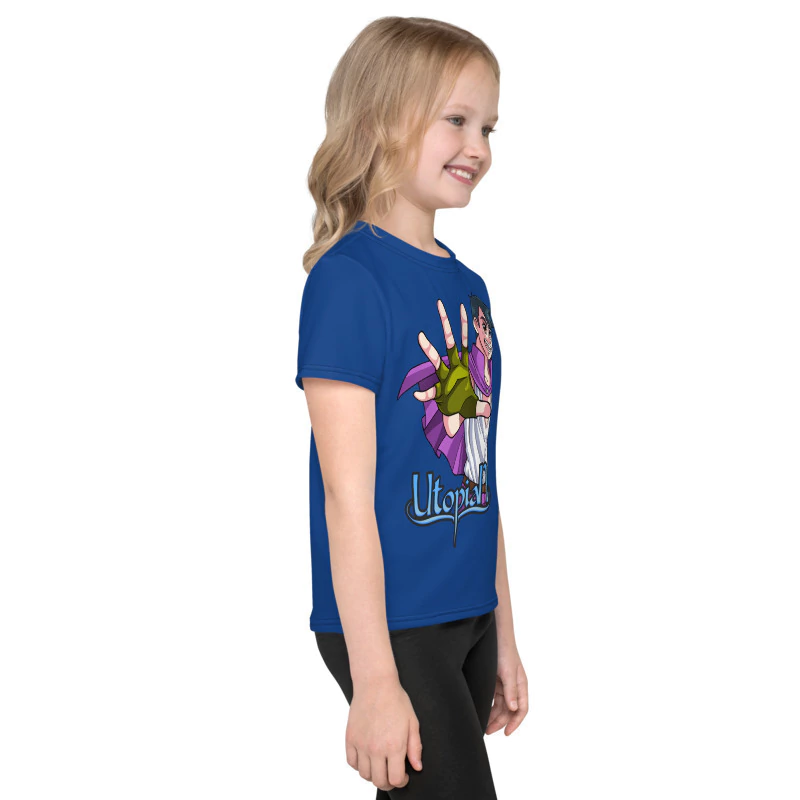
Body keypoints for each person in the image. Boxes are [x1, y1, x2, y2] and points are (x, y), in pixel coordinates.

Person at [294, 16, 528, 798]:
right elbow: (346, 499)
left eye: (488, 127)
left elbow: (479, 476)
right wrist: (374, 680)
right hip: (393, 628)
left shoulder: (469, 289)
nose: (478, 147)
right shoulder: (349, 282)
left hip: (468, 615)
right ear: (382, 119)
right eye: (456, 120)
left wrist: (504, 635)